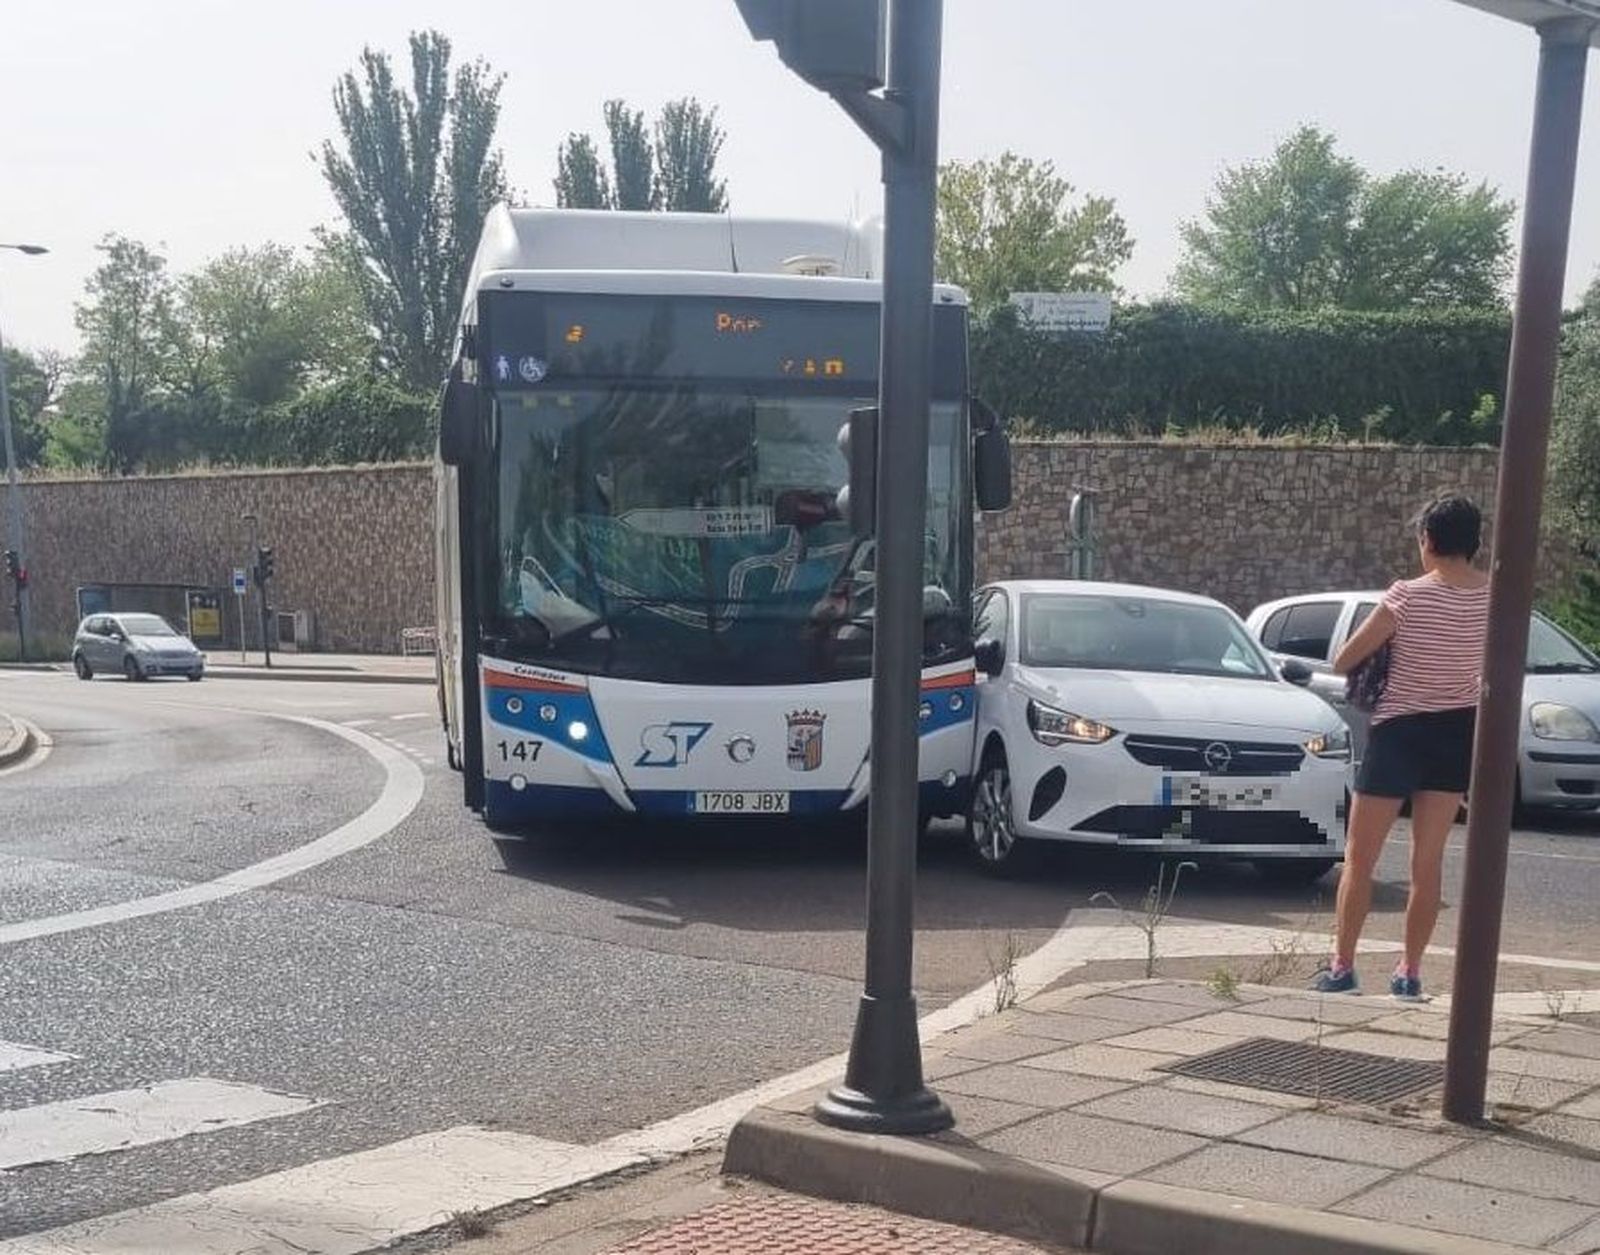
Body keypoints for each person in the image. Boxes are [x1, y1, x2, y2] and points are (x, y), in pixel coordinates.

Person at [1315, 494, 1490, 1001]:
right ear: (1475, 543)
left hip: (1399, 732)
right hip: (1457, 731)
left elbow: (1347, 659)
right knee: (1427, 862)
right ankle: (1409, 973)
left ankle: (1343, 968)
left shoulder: (1406, 595)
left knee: (1361, 858)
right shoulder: (1495, 597)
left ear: (1428, 540)